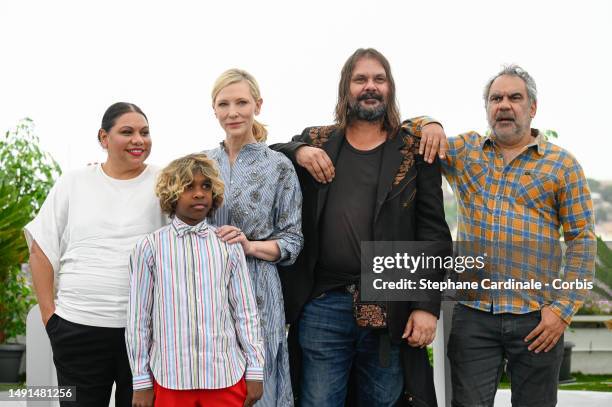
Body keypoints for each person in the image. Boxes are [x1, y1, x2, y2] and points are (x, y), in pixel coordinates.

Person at [269, 48, 452, 407]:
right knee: (318, 402)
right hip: (323, 302)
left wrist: (427, 307)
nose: (370, 86)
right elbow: (270, 152)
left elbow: (434, 236)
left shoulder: (414, 150)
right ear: (345, 89)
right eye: (361, 79)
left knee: (384, 402)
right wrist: (299, 151)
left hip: (390, 306)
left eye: (378, 79)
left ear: (390, 88)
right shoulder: (317, 141)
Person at [409, 65, 597, 407]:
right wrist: (430, 124)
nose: (504, 105)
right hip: (473, 315)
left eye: (515, 97)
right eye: (496, 98)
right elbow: (410, 134)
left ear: (532, 108)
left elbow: (582, 241)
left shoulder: (562, 165)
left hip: (538, 318)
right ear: (487, 108)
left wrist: (562, 311)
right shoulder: (465, 152)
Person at [24, 102, 166, 406]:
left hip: (146, 335)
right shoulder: (73, 182)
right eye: (126, 132)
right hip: (78, 329)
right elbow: (40, 248)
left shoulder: (165, 183)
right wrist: (51, 319)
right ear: (103, 138)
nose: (138, 140)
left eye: (144, 132)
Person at [126, 153, 265, 407]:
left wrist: (255, 370)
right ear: (171, 194)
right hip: (170, 378)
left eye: (206, 186)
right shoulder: (149, 247)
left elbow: (246, 312)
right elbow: (138, 320)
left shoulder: (228, 245)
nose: (199, 194)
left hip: (226, 375)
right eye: (188, 187)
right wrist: (141, 380)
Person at [206, 69, 303, 407]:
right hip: (208, 289)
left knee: (259, 386)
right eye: (224, 104)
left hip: (260, 287)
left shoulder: (279, 166)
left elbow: (293, 240)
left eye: (241, 102)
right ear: (214, 109)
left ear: (257, 105)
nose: (233, 112)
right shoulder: (201, 165)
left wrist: (249, 245)